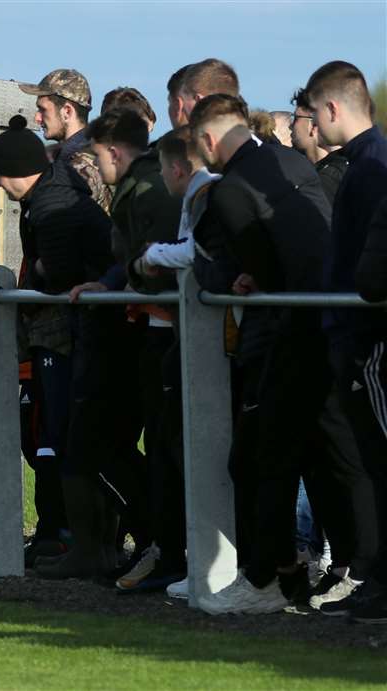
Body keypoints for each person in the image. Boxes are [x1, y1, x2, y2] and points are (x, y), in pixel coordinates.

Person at [186, 93, 332, 615]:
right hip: (330, 328)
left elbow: (259, 271)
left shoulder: (230, 192)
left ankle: (268, 577)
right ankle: (326, 573)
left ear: (207, 140)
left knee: (255, 460)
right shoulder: (292, 160)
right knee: (325, 458)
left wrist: (246, 276)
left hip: (284, 337)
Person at [0, 115, 114, 566]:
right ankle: (80, 537)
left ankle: (79, 538)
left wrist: (40, 272)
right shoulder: (56, 194)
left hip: (65, 332)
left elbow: (57, 272)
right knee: (58, 434)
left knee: (63, 434)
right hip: (69, 329)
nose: (0, 186)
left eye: (2, 175)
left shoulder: (50, 206)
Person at [62, 108, 182, 584]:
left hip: (159, 332)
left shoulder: (149, 190)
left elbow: (155, 258)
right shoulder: (139, 187)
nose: (97, 165)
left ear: (112, 151)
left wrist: (122, 284)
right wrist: (110, 284)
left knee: (159, 446)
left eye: (97, 154)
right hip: (145, 327)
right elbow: (135, 257)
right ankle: (159, 544)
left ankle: (167, 547)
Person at [300, 62, 387, 620]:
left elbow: (369, 261)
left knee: (378, 461)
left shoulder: (370, 167)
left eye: (311, 112)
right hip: (352, 332)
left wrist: (355, 332)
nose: (309, 123)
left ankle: (377, 579)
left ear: (332, 109)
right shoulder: (363, 164)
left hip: (366, 338)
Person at [20, 68, 113, 212]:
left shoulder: (83, 165)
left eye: (43, 110)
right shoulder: (67, 159)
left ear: (67, 111)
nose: (37, 118)